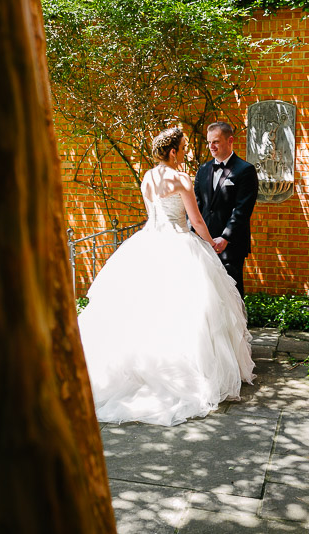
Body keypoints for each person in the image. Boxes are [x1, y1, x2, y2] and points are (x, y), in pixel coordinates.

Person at [78, 127, 255, 426]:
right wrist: (210, 242)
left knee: (146, 307)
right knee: (189, 309)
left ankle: (143, 366)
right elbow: (195, 219)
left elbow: (154, 213)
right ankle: (189, 371)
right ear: (173, 151)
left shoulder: (148, 177)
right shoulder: (182, 178)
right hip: (178, 242)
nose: (186, 151)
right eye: (184, 147)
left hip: (149, 242)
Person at [194, 122, 259, 297]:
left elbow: (242, 209)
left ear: (230, 140)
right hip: (204, 243)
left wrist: (225, 238)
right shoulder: (203, 170)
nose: (211, 147)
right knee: (207, 294)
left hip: (231, 246)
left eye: (216, 142)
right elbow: (196, 206)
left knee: (232, 295)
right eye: (209, 142)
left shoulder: (245, 170)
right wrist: (196, 237)